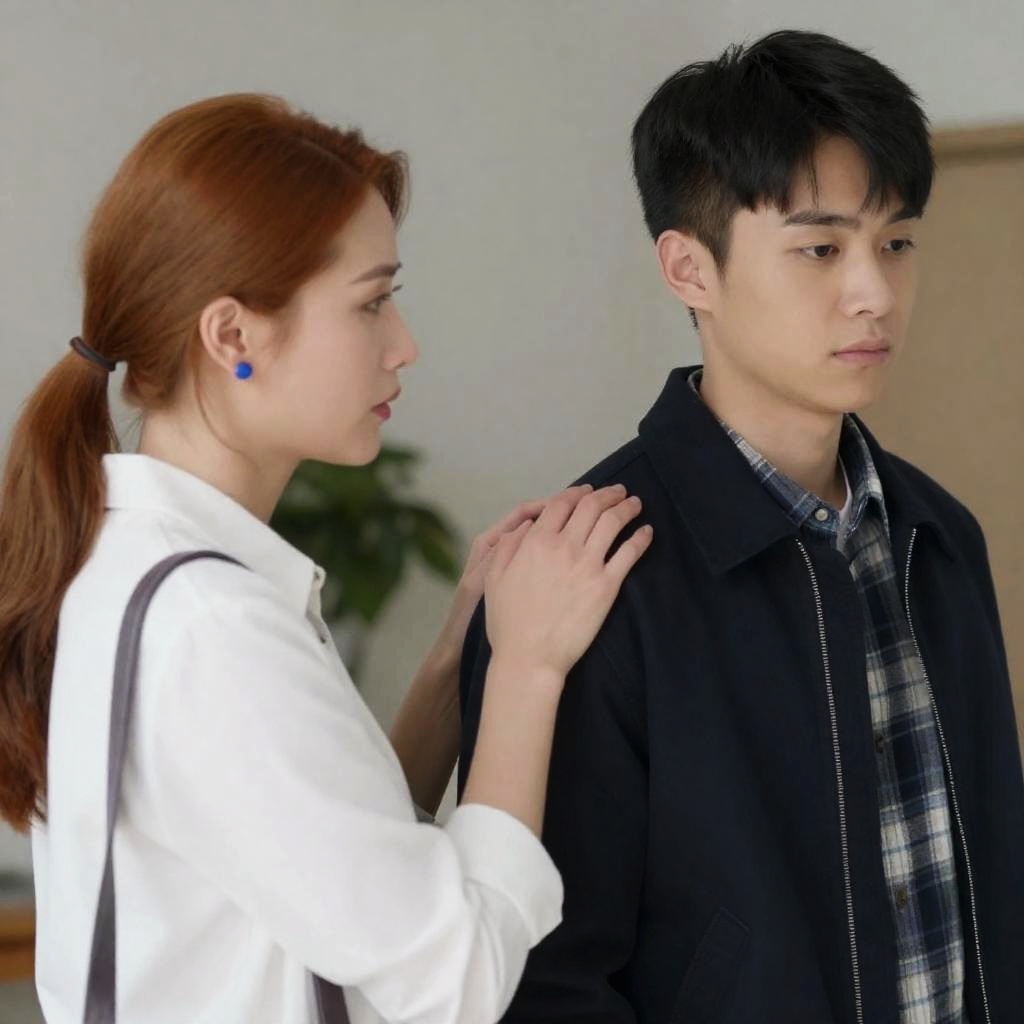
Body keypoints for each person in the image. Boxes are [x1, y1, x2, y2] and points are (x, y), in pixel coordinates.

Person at [0, 94, 654, 1024]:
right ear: (232, 336)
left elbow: (334, 864)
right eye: (372, 302)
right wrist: (527, 668)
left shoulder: (133, 564)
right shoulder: (210, 625)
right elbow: (455, 976)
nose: (404, 346)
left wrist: (454, 659)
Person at [459, 29, 1024, 1024]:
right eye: (820, 248)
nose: (874, 292)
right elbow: (545, 981)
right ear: (688, 269)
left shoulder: (940, 537)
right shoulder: (588, 573)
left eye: (896, 242)